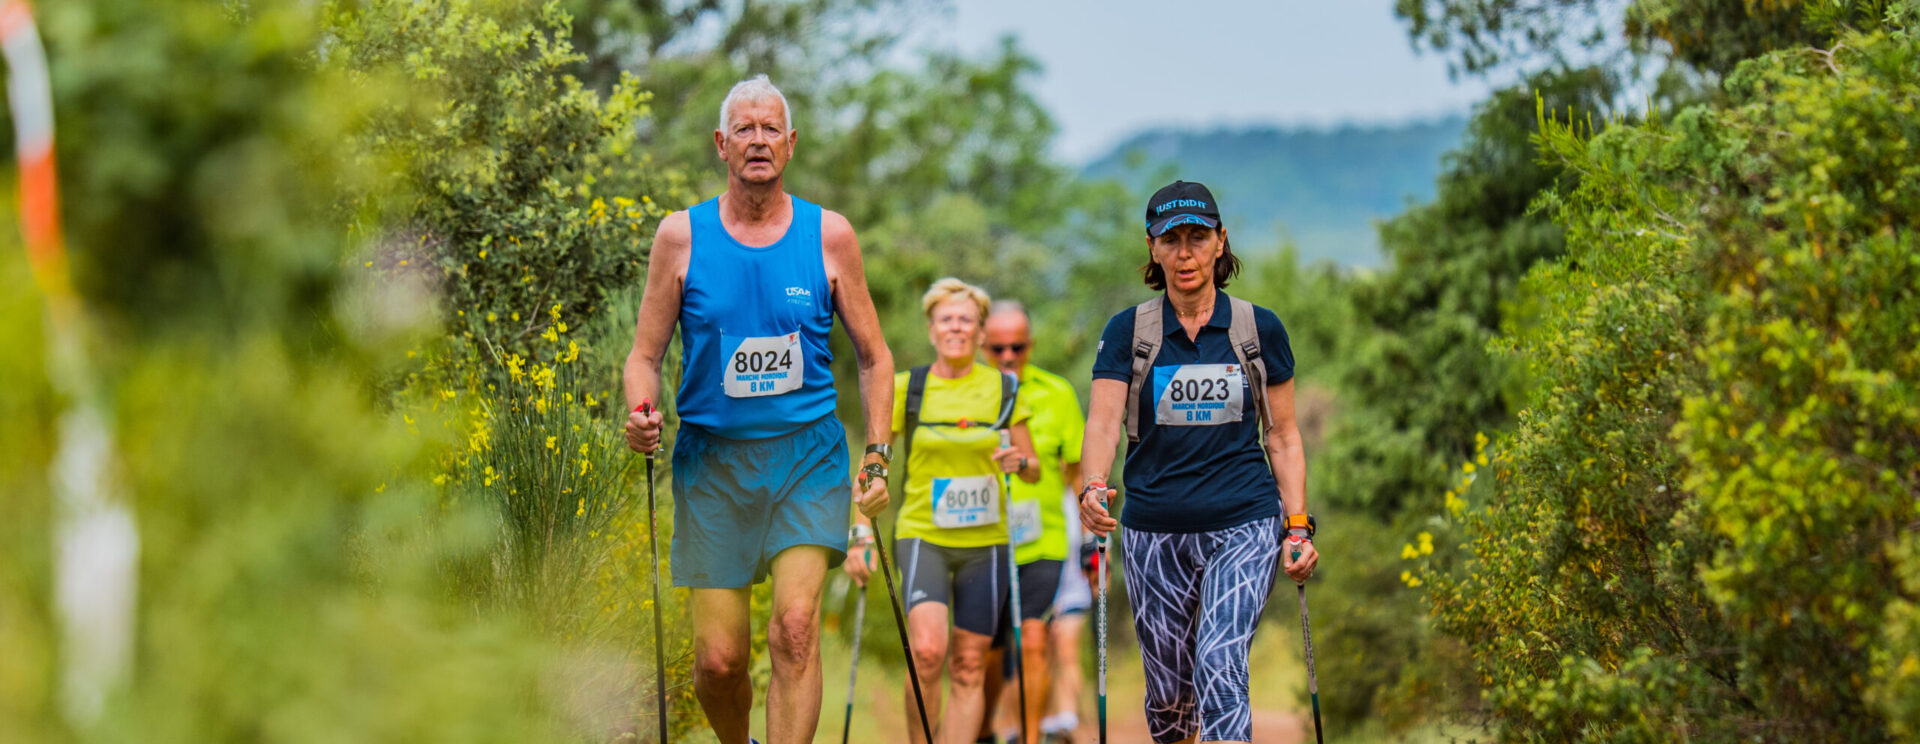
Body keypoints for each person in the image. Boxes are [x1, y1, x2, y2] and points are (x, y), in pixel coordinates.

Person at [623, 74, 895, 744]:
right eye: (743, 128)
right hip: (712, 467)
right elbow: (643, 356)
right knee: (719, 662)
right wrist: (641, 410)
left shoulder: (829, 236)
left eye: (770, 128)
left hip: (807, 458)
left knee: (796, 630)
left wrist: (878, 454)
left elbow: (875, 358)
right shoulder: (679, 237)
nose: (757, 140)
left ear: (791, 143)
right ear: (721, 143)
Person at [1077, 181, 1319, 744]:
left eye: (1197, 237)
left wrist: (1298, 524)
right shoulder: (1128, 332)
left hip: (1244, 520)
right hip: (1154, 529)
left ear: (1219, 242)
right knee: (1167, 702)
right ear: (1153, 248)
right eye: (1172, 240)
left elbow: (1282, 435)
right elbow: (1104, 422)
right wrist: (1092, 487)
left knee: (1219, 663)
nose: (1185, 253)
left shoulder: (1258, 330)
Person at [845, 278, 1039, 744]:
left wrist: (1019, 461)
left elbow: (1032, 468)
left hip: (986, 543)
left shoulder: (1004, 388)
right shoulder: (906, 388)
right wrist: (860, 535)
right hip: (922, 534)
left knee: (970, 664)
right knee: (928, 653)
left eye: (966, 320)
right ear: (932, 330)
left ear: (980, 331)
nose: (956, 327)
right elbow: (872, 468)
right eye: (946, 319)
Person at [973, 301, 1084, 744]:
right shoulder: (966, 391)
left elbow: (1077, 473)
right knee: (988, 653)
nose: (1007, 357)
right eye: (997, 348)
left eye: (1016, 347)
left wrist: (1094, 545)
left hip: (1043, 539)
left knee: (1034, 640)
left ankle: (1032, 737)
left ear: (1030, 345)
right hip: (981, 539)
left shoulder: (1057, 393)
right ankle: (984, 731)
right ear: (983, 346)